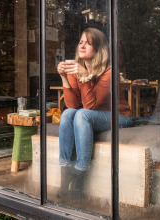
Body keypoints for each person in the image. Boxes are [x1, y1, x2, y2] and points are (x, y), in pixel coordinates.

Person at [56, 28, 132, 199]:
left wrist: (84, 76)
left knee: (82, 114)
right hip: (93, 115)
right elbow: (72, 104)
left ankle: (80, 179)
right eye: (81, 42)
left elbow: (90, 106)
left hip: (119, 117)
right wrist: (64, 77)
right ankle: (64, 178)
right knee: (68, 114)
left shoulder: (109, 72)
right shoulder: (77, 69)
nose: (82, 46)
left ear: (98, 49)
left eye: (88, 43)